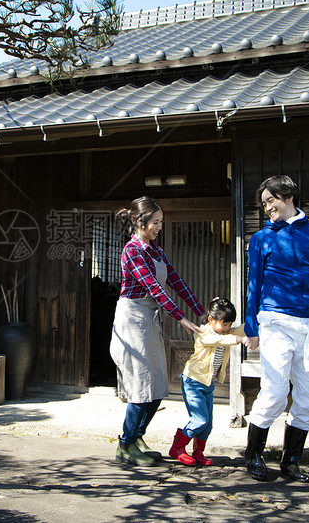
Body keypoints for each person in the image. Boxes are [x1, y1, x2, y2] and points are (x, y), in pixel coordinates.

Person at [242, 174, 309, 483]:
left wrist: (307, 303)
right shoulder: (261, 239)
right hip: (275, 320)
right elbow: (254, 285)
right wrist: (251, 327)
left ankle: (290, 461)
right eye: (264, 203)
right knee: (276, 391)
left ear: (289, 196)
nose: (268, 207)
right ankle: (253, 455)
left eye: (272, 200)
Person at [110, 196, 205, 466]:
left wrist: (199, 310)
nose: (159, 227)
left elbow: (175, 280)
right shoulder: (132, 250)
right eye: (155, 222)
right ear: (140, 222)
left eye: (161, 223)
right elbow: (154, 288)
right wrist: (182, 319)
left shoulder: (156, 251)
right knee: (141, 386)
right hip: (133, 321)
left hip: (150, 320)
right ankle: (125, 444)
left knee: (157, 385)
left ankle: (138, 437)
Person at [169, 297, 245, 466]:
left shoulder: (225, 332)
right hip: (193, 381)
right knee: (199, 419)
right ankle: (177, 448)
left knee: (208, 423)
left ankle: (198, 452)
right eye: (224, 324)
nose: (227, 329)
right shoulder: (204, 333)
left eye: (229, 325)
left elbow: (240, 330)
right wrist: (238, 340)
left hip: (207, 384)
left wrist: (256, 320)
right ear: (211, 320)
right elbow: (217, 340)